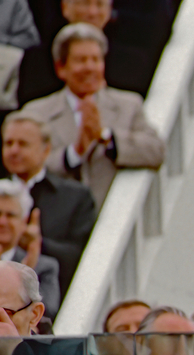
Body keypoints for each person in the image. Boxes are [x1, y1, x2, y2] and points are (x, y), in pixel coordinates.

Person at [20, 22, 165, 210]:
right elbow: (24, 164)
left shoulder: (128, 105)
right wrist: (73, 153)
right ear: (61, 68)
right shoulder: (36, 113)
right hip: (55, 217)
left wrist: (106, 137)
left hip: (112, 213)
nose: (89, 67)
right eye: (81, 60)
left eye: (96, 60)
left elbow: (156, 151)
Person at [3, 111, 97, 297]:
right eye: (8, 143)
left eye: (23, 144)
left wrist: (39, 243)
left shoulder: (74, 196)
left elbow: (84, 257)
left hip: (55, 296)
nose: (14, 150)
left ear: (46, 150)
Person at [18, 0, 174, 105]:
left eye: (99, 4)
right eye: (84, 3)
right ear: (65, 7)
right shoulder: (37, 61)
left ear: (109, 10)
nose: (92, 12)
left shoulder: (134, 63)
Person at [0, 177, 60, 319]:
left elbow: (47, 314)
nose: (2, 221)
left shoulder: (44, 267)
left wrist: (23, 276)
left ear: (24, 221)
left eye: (10, 215)